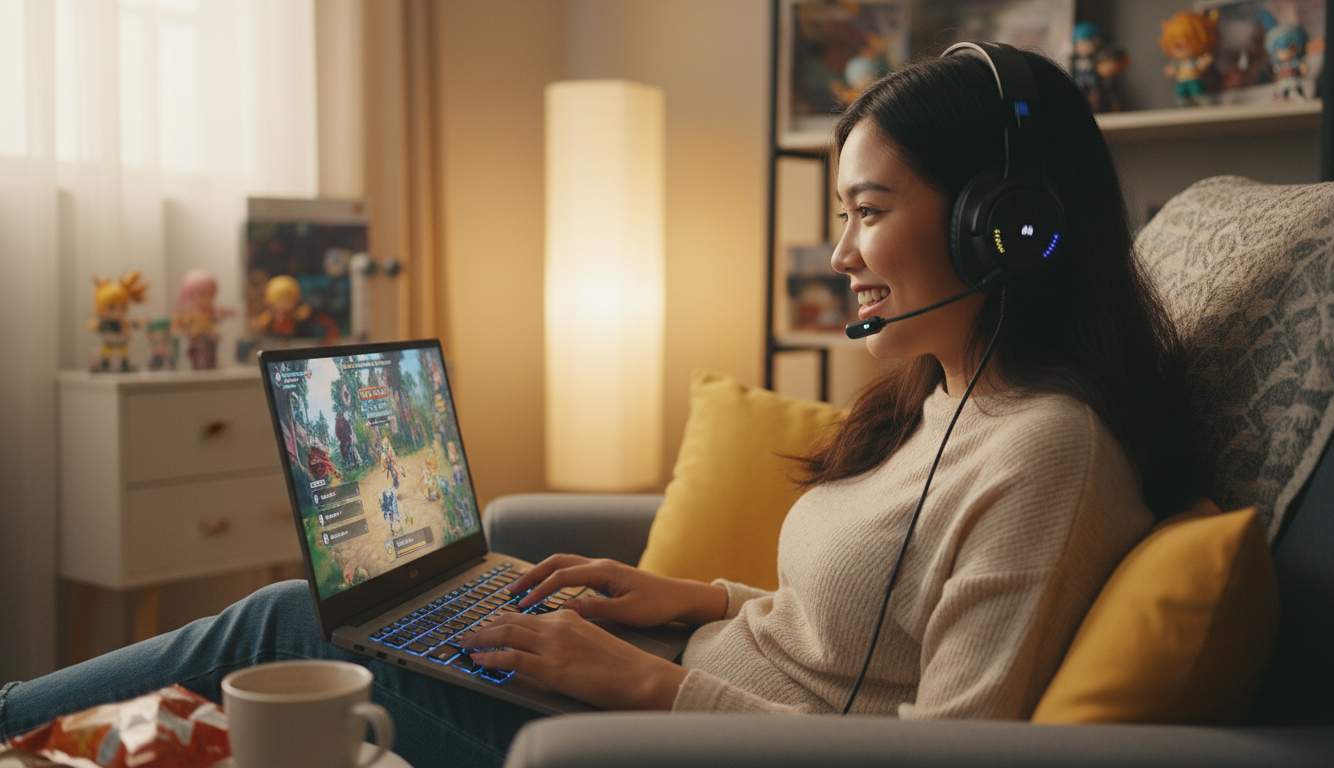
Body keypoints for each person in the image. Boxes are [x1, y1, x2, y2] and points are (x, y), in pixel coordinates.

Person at [0, 47, 1198, 767]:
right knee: (337, 610)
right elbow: (856, 646)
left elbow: (950, 751)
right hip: (685, 684)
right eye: (840, 211)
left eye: (868, 210)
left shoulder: (1046, 453)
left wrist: (645, 684)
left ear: (1006, 227)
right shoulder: (942, 401)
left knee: (291, 626)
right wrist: (692, 602)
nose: (839, 252)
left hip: (676, 739)